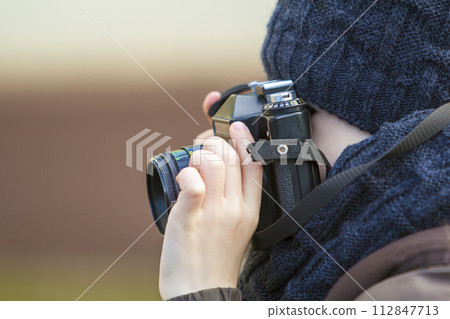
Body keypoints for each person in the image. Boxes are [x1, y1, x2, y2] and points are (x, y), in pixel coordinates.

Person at [159, 0, 450, 300]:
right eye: (269, 95)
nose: (263, 138)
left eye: (299, 110)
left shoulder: (423, 282)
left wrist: (202, 292)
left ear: (408, 135)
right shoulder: (333, 255)